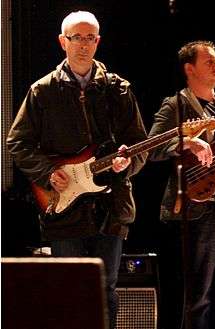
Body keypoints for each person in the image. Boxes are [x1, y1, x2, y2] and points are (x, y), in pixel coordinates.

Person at [6, 10, 148, 329]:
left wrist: (128, 164)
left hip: (111, 206)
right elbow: (18, 142)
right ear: (62, 42)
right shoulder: (42, 91)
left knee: (107, 286)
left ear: (97, 42)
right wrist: (47, 174)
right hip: (63, 207)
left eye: (89, 38)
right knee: (66, 287)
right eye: (76, 38)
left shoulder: (118, 89)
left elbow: (139, 143)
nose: (83, 45)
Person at [148, 40, 215, 329]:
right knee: (194, 295)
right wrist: (187, 142)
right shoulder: (176, 105)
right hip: (193, 209)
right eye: (209, 62)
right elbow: (151, 148)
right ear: (189, 69)